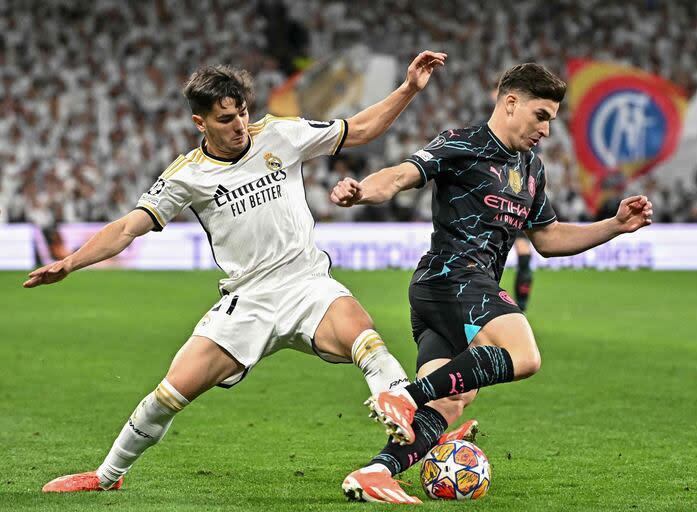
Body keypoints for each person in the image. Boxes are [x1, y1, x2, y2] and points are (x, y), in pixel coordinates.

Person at [25, 51, 449, 494]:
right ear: (200, 123)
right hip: (247, 302)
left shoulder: (281, 134)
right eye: (226, 118)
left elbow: (358, 129)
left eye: (242, 112)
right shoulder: (188, 175)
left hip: (307, 284)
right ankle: (105, 476)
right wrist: (71, 261)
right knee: (169, 394)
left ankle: (414, 427)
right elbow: (130, 226)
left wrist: (407, 90)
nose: (239, 124)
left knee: (366, 338)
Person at [330, 62, 653, 503]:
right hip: (452, 277)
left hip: (450, 291)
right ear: (511, 102)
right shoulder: (463, 144)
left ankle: (375, 472)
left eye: (551, 120)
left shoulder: (532, 170)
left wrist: (614, 225)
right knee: (524, 355)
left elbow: (549, 238)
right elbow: (403, 174)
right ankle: (404, 397)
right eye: (541, 116)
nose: (546, 128)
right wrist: (362, 190)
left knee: (450, 402)